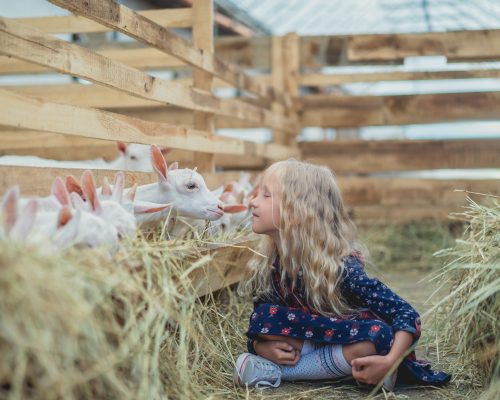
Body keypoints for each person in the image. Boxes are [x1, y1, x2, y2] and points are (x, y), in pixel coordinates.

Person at [233, 160, 450, 391]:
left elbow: (406, 314)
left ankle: (283, 373)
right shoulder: (269, 266)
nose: (252, 201)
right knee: (264, 316)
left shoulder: (341, 269)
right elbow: (260, 325)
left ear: (297, 212)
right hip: (307, 342)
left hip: (348, 340)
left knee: (375, 336)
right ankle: (290, 366)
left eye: (266, 195)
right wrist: (260, 346)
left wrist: (390, 360)